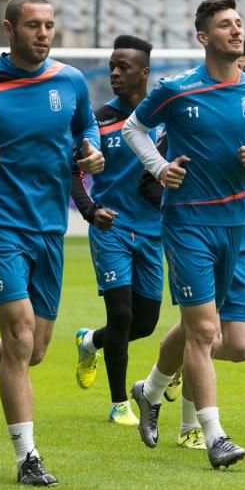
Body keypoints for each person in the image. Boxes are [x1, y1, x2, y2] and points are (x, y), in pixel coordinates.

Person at [0, 0, 103, 487]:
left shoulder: (70, 80)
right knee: (18, 336)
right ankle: (27, 457)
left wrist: (92, 151)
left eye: (49, 25)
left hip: (49, 228)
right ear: (9, 29)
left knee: (34, 348)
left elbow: (87, 127)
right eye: (33, 25)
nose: (43, 34)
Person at [121, 0, 245, 469]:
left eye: (239, 23)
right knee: (205, 330)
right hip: (187, 223)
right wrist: (160, 166)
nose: (236, 31)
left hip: (237, 228)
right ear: (203, 37)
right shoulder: (176, 89)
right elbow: (134, 129)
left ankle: (149, 391)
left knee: (235, 343)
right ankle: (214, 436)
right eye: (225, 25)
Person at [70, 35, 162, 427]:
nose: (114, 73)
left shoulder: (161, 118)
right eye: (112, 66)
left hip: (153, 231)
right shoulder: (97, 120)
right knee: (122, 314)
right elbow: (72, 171)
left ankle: (90, 341)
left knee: (145, 323)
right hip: (111, 227)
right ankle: (119, 402)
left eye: (124, 67)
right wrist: (90, 210)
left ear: (144, 73)